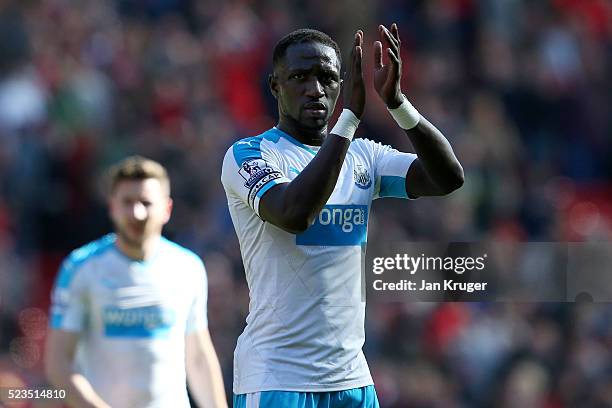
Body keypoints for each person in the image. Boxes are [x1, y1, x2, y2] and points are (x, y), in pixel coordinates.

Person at [221, 25, 463, 407]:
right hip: (277, 377)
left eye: (327, 78)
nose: (315, 89)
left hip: (351, 378)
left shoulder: (363, 156)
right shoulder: (249, 155)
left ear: (342, 85)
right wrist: (348, 120)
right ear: (274, 86)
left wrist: (398, 104)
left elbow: (447, 177)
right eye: (300, 77)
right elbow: (293, 213)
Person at [45, 156, 227, 408]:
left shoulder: (188, 267)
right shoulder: (81, 268)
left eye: (146, 202)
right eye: (127, 202)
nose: (137, 212)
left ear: (167, 209)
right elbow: (58, 363)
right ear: (111, 207)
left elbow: (197, 357)